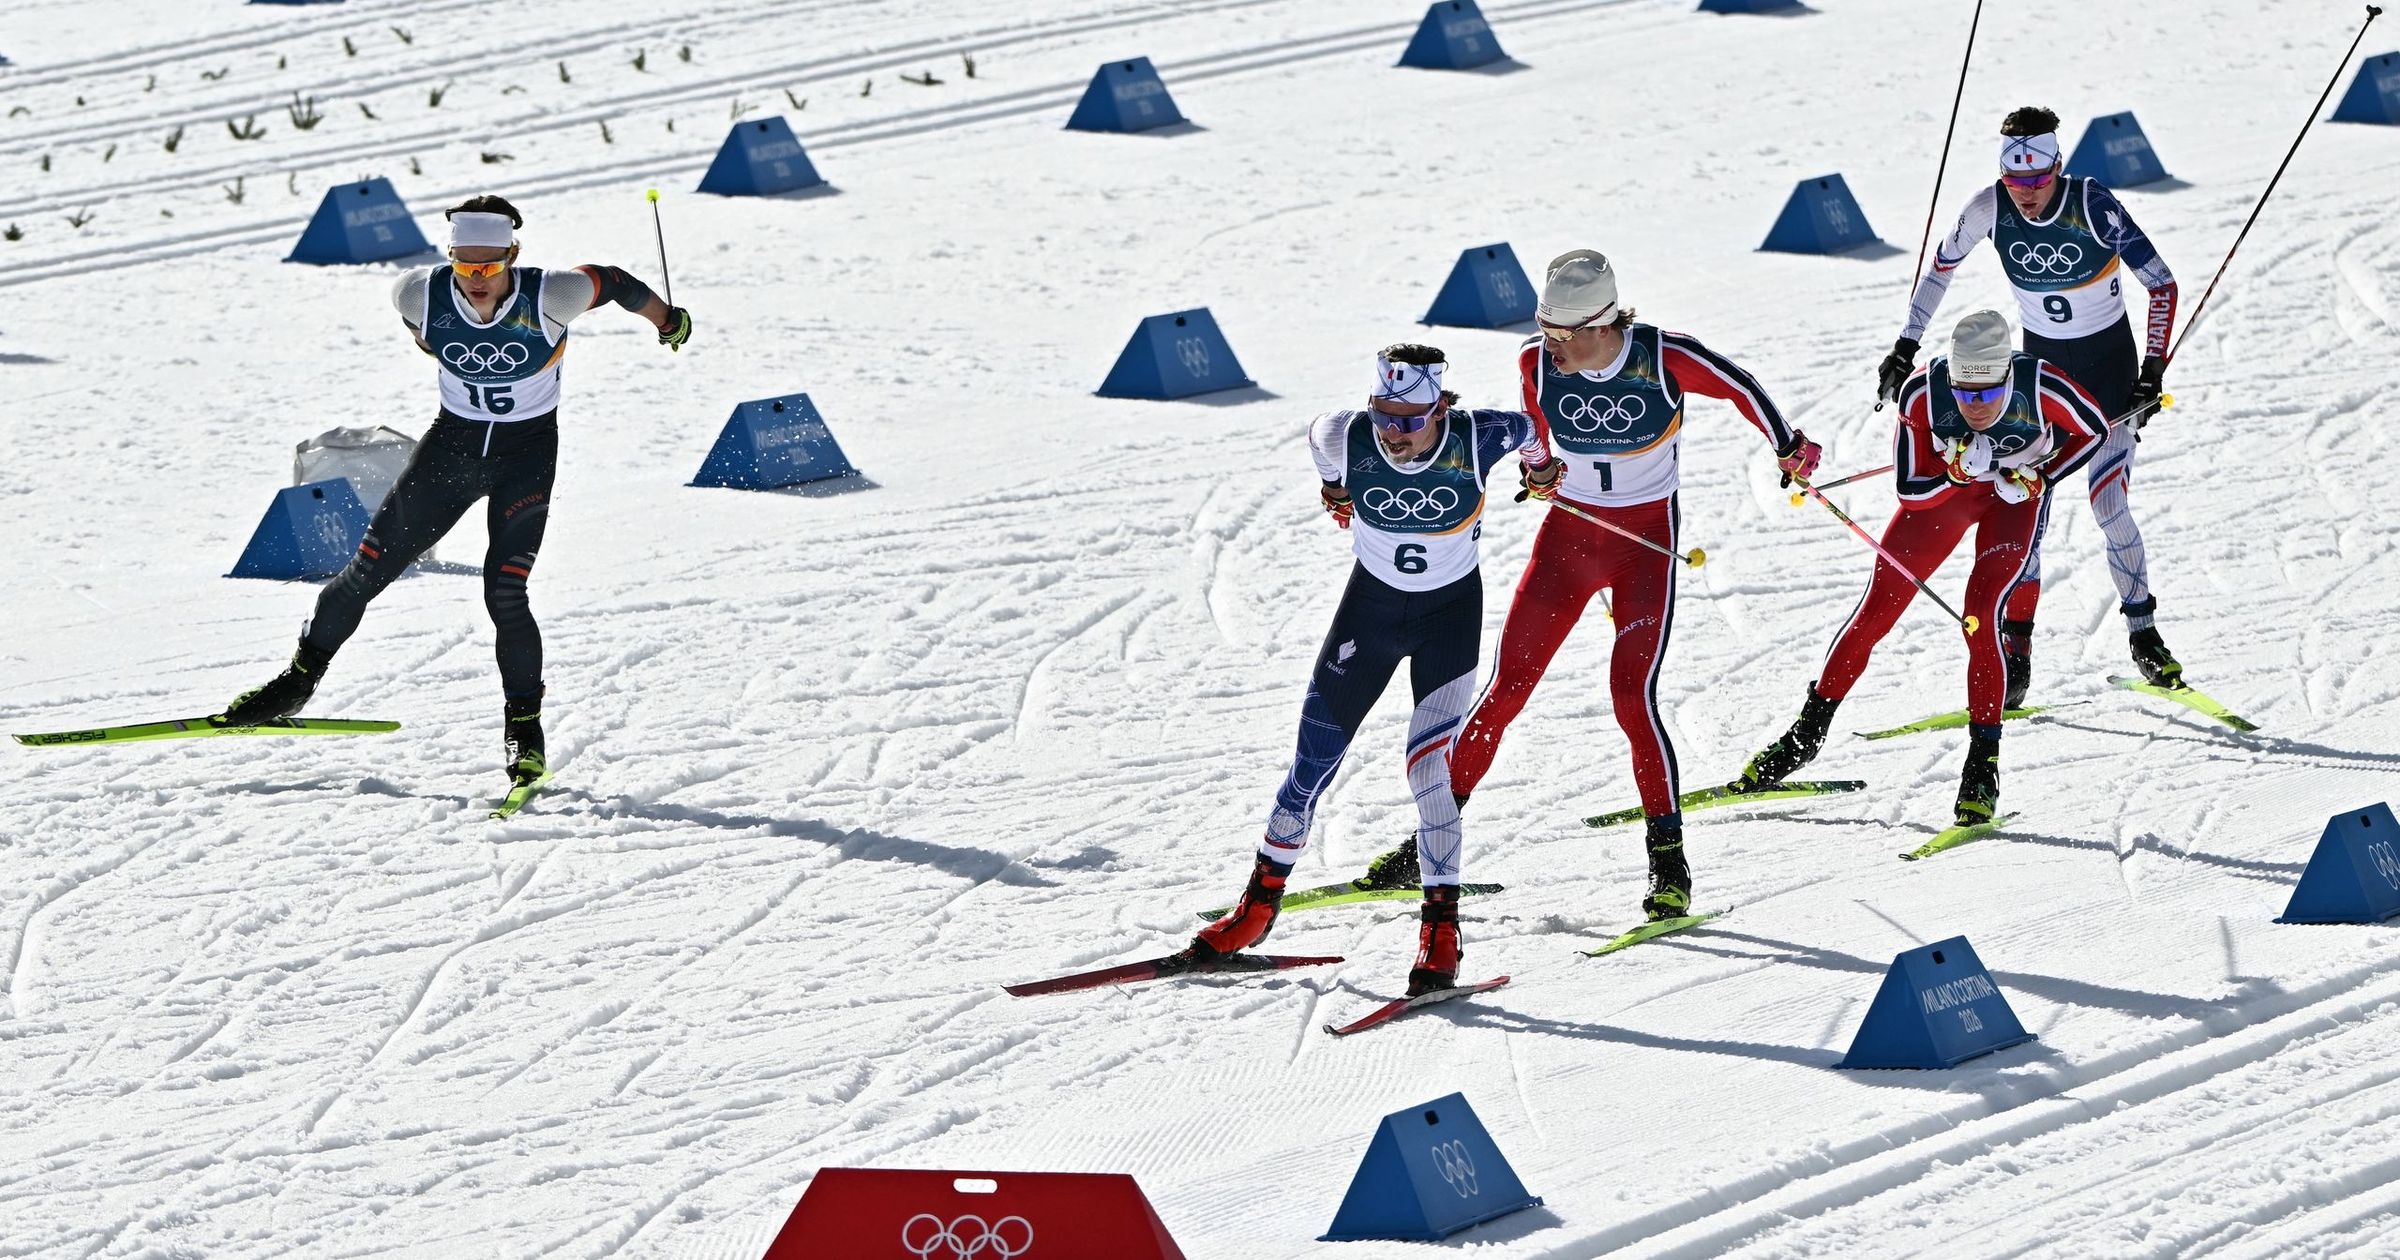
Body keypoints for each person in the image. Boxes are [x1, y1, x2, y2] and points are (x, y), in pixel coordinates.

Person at [1358, 250, 1820, 924]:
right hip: (1568, 544)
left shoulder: (1664, 358)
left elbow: (1741, 386)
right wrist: (1538, 473)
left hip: (1645, 550)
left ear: (1602, 326)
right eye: (1544, 332)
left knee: (1632, 697)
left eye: (1561, 336)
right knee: (1504, 690)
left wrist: (1788, 445)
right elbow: (1535, 434)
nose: (1549, 348)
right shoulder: (1534, 363)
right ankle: (1426, 844)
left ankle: (1669, 866)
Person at [220, 194, 693, 792]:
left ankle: (524, 730)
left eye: (488, 268)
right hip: (450, 453)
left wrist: (667, 319)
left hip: (525, 460)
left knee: (505, 594)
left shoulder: (552, 294)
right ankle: (297, 681)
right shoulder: (418, 293)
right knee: (363, 574)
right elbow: (425, 337)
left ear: (511, 257)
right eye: (464, 267)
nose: (475, 281)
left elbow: (618, 282)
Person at [1187, 344, 1550, 995]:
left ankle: (1441, 931)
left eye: (1409, 422)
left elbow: (1532, 430)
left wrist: (1541, 471)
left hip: (1449, 621)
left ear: (1439, 409)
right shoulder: (1344, 432)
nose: (1394, 435)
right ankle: (1256, 910)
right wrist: (1334, 490)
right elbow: (1322, 450)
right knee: (1309, 766)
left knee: (1427, 769)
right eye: (1385, 416)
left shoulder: (1479, 435)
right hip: (1369, 616)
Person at [1744, 310, 2104, 825]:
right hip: (1945, 500)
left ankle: (1983, 763)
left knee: (1980, 616)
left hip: (2012, 502)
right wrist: (1956, 474)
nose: (1974, 406)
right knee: (1875, 613)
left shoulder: (2040, 382)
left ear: (2007, 375)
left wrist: (2041, 475)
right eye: (1964, 393)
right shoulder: (1923, 392)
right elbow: (1911, 491)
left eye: (1986, 394)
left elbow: (2093, 429)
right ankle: (1806, 734)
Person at [1877, 105, 2183, 705]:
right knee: (2026, 508)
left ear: (2057, 168)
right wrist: (1905, 344)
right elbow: (1940, 269)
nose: (2027, 196)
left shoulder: (2093, 203)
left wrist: (2152, 372)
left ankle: (2144, 633)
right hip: (2041, 383)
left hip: (2112, 380)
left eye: (2037, 182)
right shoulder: (1987, 207)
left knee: (2109, 503)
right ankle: (2017, 650)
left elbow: (2162, 284)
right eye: (2016, 183)